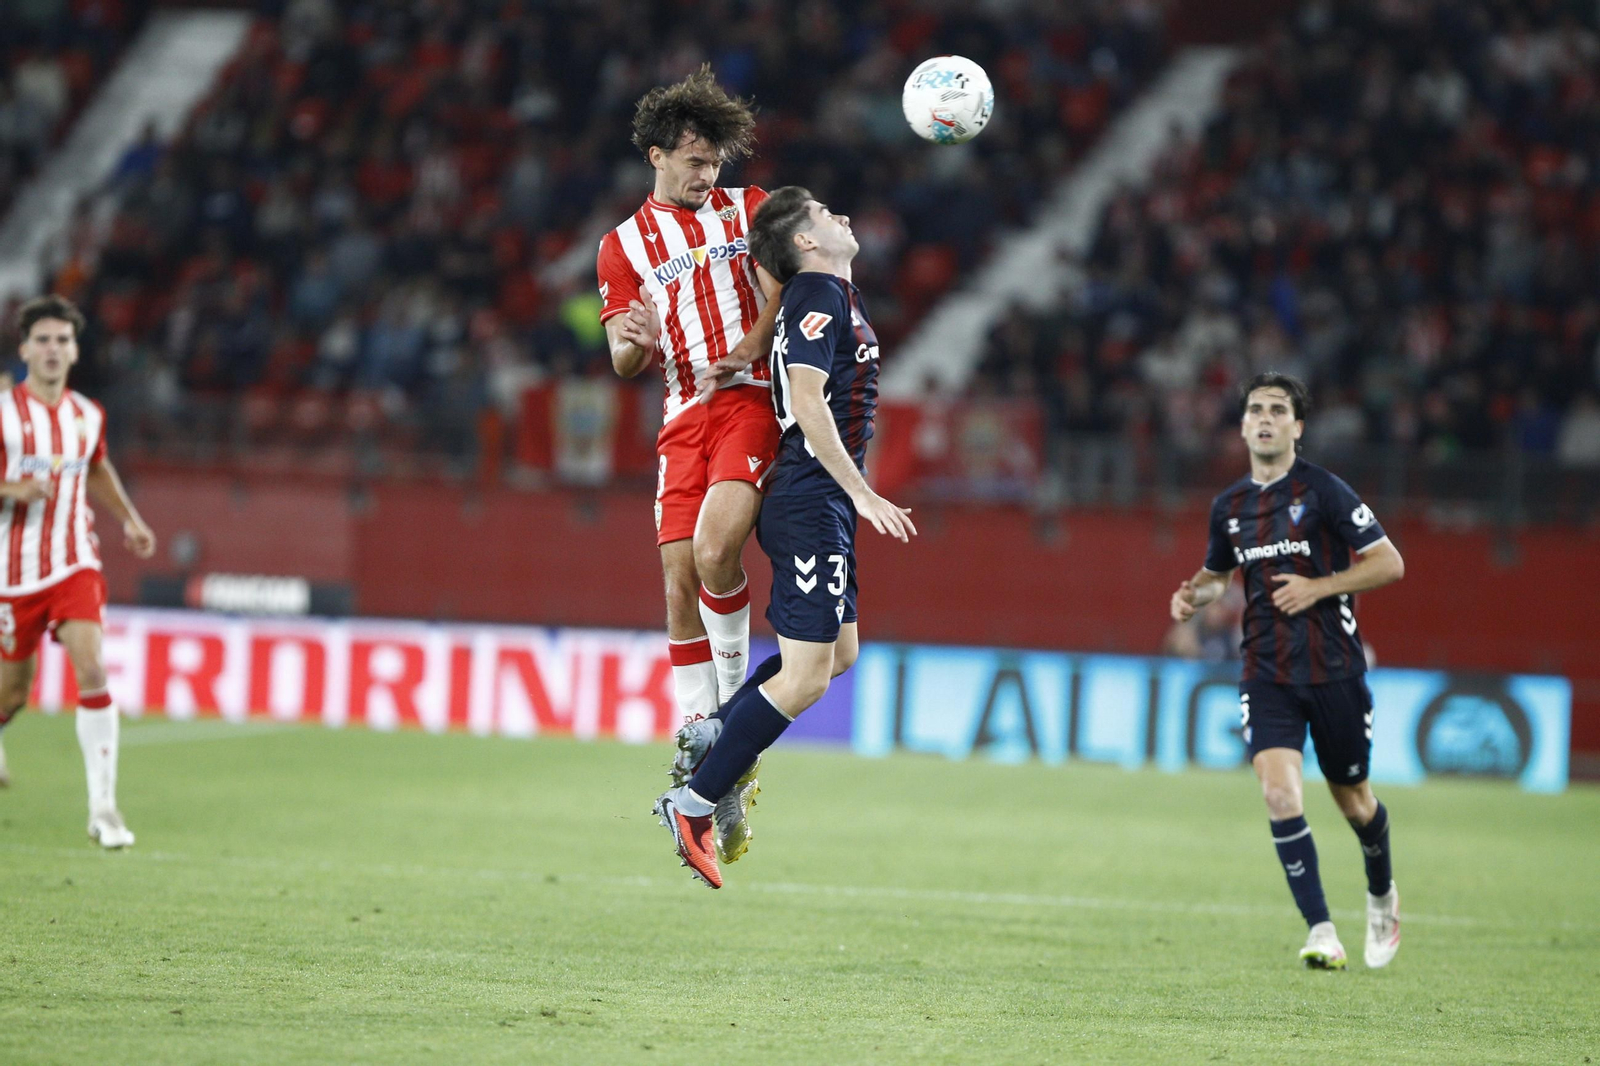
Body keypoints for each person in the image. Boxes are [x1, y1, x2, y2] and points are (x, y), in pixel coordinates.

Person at [653, 187, 917, 888]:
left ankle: (717, 734)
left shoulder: (831, 298)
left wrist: (742, 362)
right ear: (804, 244)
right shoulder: (818, 293)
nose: (846, 216)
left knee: (839, 655)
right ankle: (695, 800)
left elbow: (792, 374)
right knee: (804, 677)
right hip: (811, 499)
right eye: (830, 216)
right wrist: (861, 492)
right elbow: (804, 403)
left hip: (823, 500)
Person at [597, 66, 784, 862]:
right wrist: (632, 341)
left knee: (716, 551)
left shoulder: (749, 210)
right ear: (655, 156)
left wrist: (748, 352)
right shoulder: (621, 247)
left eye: (715, 162)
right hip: (681, 420)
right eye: (694, 161)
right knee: (678, 581)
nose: (708, 176)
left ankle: (730, 727)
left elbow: (783, 294)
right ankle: (704, 747)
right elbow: (620, 358)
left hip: (748, 402)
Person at [1169, 373, 1405, 969]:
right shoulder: (1230, 506)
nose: (1266, 418)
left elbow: (1389, 563)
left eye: (1279, 410)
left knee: (1355, 804)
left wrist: (1321, 587)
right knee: (1279, 792)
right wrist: (1193, 594)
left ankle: (1381, 895)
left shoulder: (1324, 492)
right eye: (1256, 410)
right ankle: (1322, 929)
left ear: (1297, 427)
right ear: (1245, 425)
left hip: (1334, 671)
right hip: (1265, 672)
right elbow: (1220, 574)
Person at [0, 296, 157, 848]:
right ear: (24, 348)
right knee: (11, 696)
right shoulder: (3, 414)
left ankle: (104, 810)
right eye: (42, 339)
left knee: (92, 669)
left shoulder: (88, 415)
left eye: (62, 340)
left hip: (73, 563)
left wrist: (131, 520)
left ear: (74, 350)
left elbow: (97, 466)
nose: (52, 349)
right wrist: (12, 489)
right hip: (11, 576)